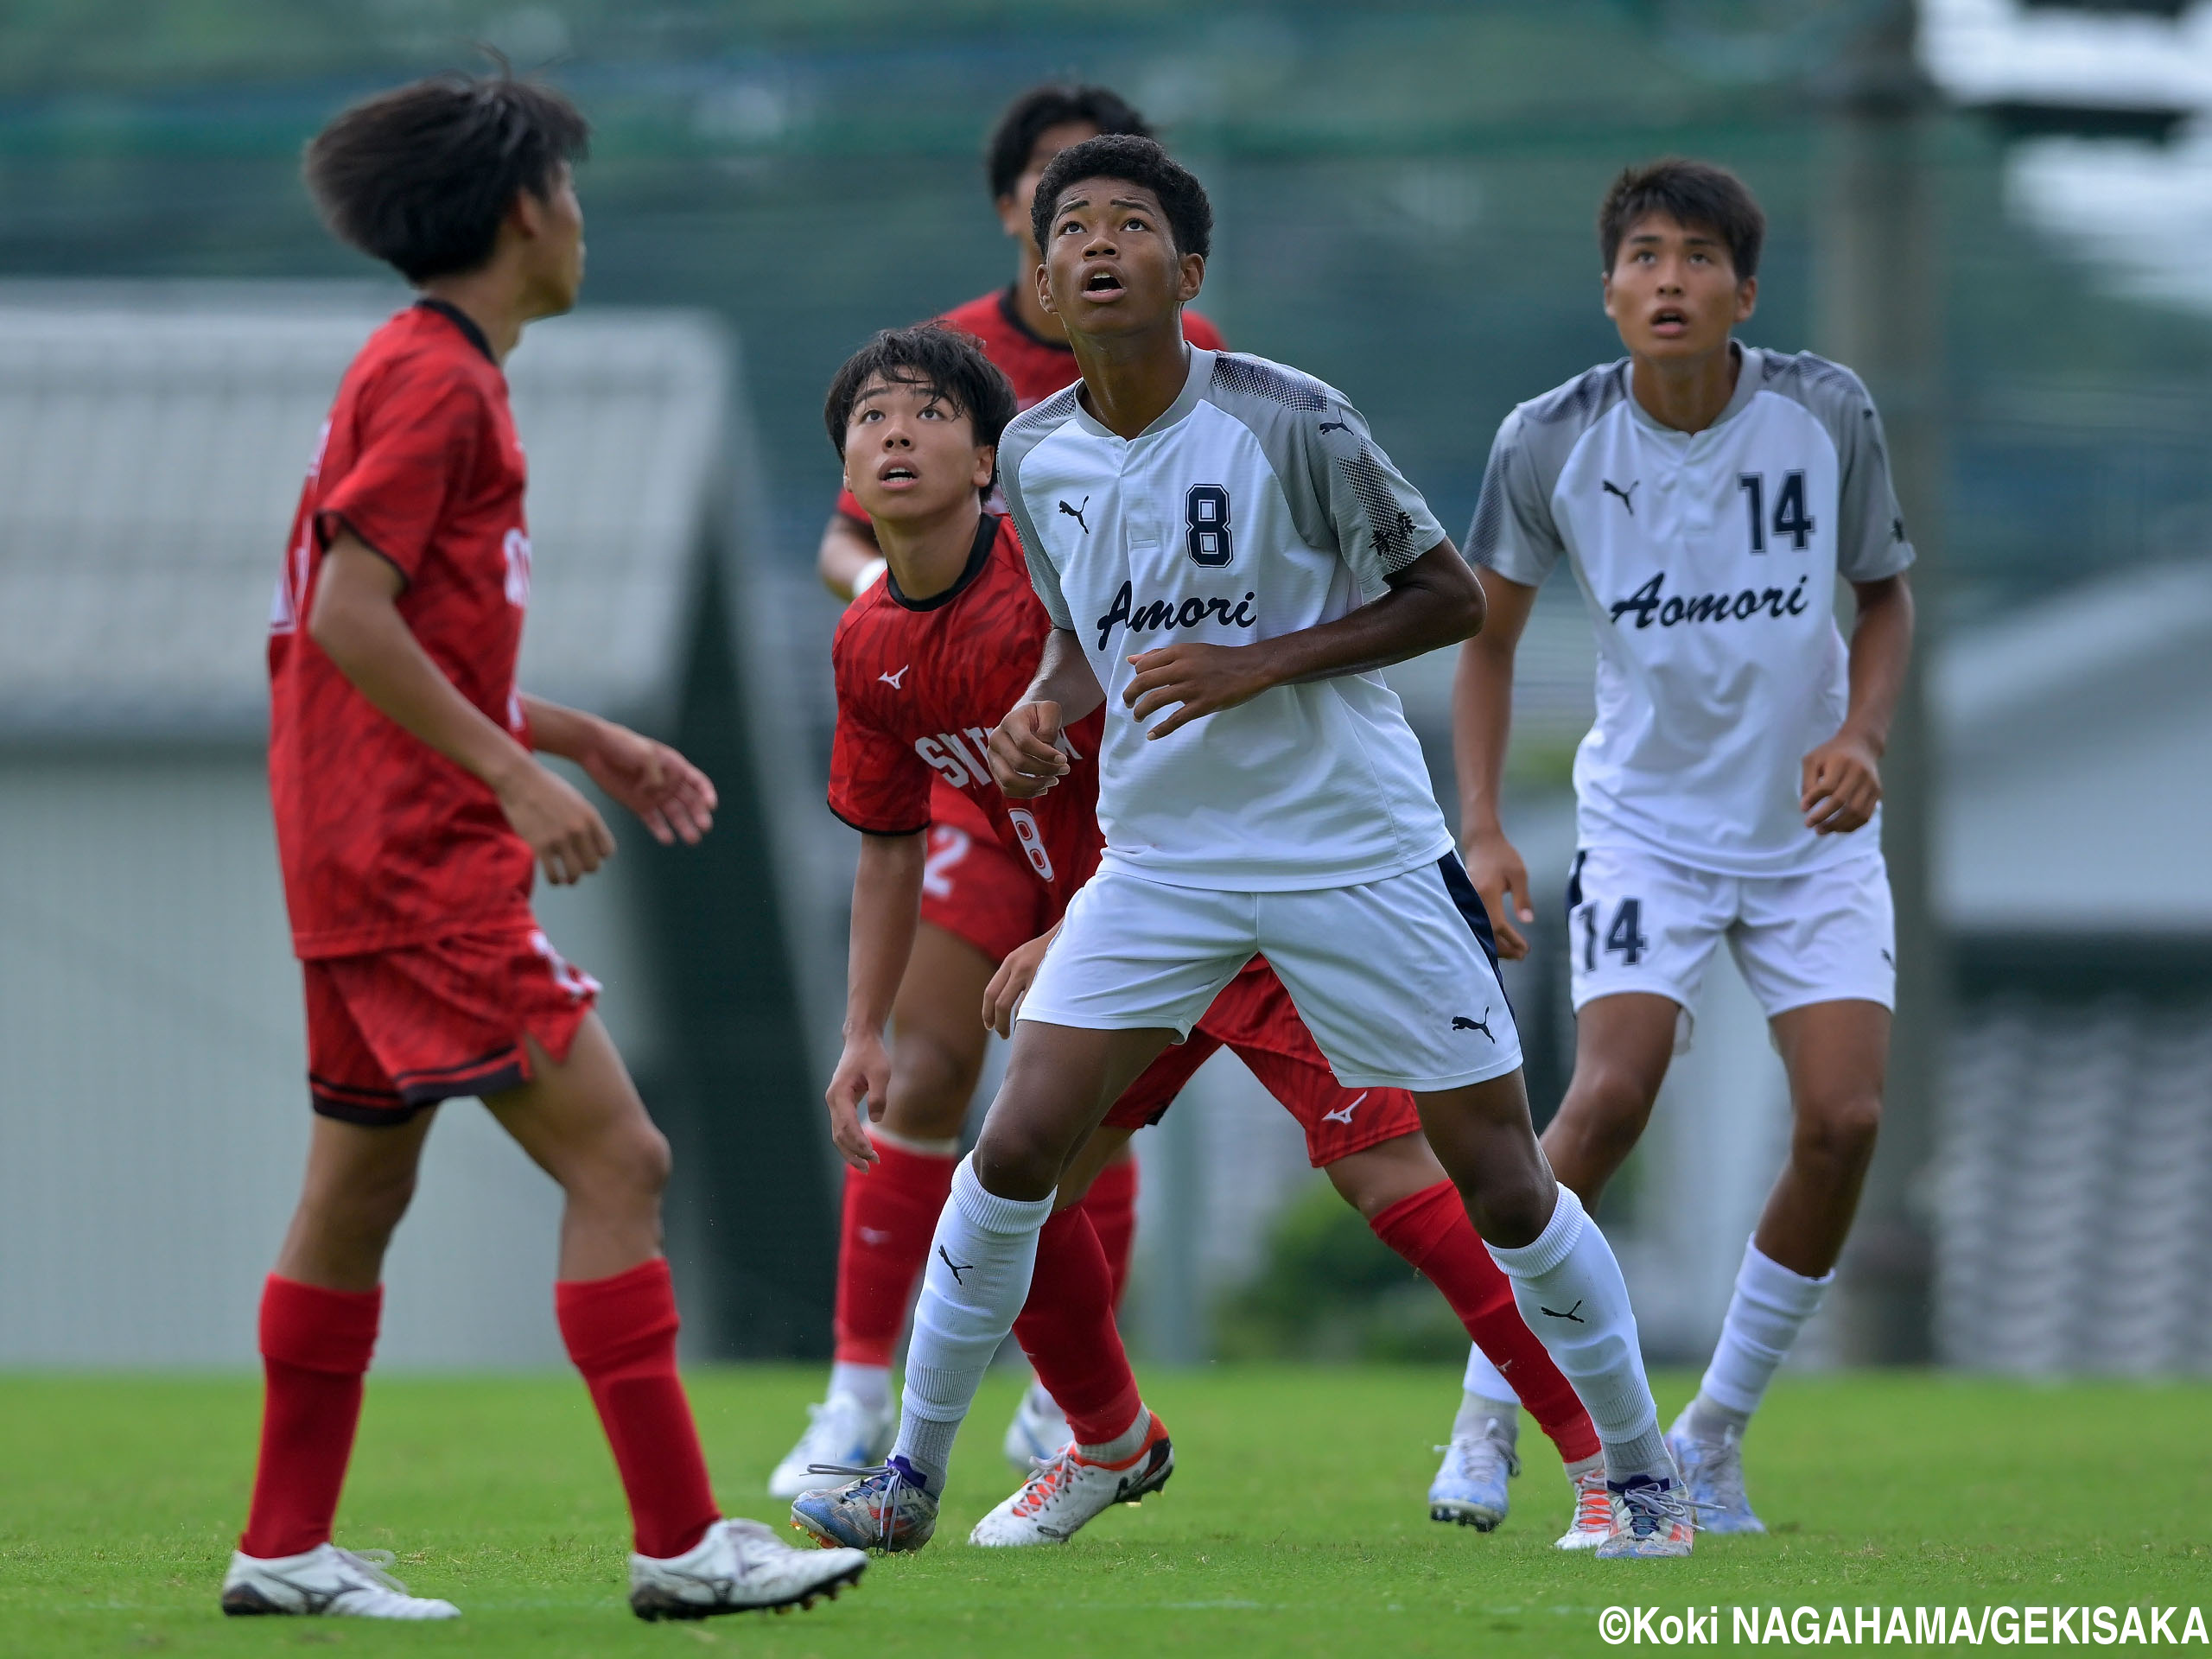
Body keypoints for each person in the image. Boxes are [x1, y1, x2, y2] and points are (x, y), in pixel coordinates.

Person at [795, 136, 1693, 1560]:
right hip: (1162, 866)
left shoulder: (1292, 417)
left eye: (1129, 224)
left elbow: (1447, 598)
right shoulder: (1035, 455)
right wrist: (1042, 711)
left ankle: (1642, 1478)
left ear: (1186, 272)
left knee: (1499, 1177)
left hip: (1354, 852)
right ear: (1039, 277)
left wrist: (1260, 662)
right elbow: (1098, 647)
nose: (1095, 243)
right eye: (1068, 228)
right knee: (1014, 1143)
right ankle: (907, 1471)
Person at [228, 72, 868, 1622]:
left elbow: (389, 638)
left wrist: (576, 736)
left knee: (353, 1199)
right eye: (570, 195)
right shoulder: (441, 384)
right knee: (624, 1155)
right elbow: (348, 620)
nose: (581, 223)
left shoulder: (413, 366)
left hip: (350, 855)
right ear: (527, 212)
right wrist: (517, 776)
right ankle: (681, 1545)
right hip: (412, 863)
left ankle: (281, 1547)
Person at [776, 80, 1230, 1494]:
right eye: (1059, 199)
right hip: (979, 765)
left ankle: (1065, 1406)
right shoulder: (945, 369)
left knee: (1098, 1091)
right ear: (1013, 219)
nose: (1089, 231)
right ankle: (859, 1406)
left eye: (1120, 204)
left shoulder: (1201, 365)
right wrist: (911, 621)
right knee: (934, 1076)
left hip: (1134, 793)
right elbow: (849, 550)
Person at [1454, 157, 1915, 1533]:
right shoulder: (1548, 439)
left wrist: (1865, 740)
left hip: (1809, 831)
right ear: (1608, 292)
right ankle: (1488, 1414)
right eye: (1644, 257)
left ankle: (1711, 1435)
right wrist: (1480, 828)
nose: (1671, 279)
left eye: (1699, 257)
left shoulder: (1826, 412)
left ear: (1744, 292)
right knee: (1607, 1100)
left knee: (1844, 1121)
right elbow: (1483, 641)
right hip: (1646, 828)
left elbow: (1885, 599)